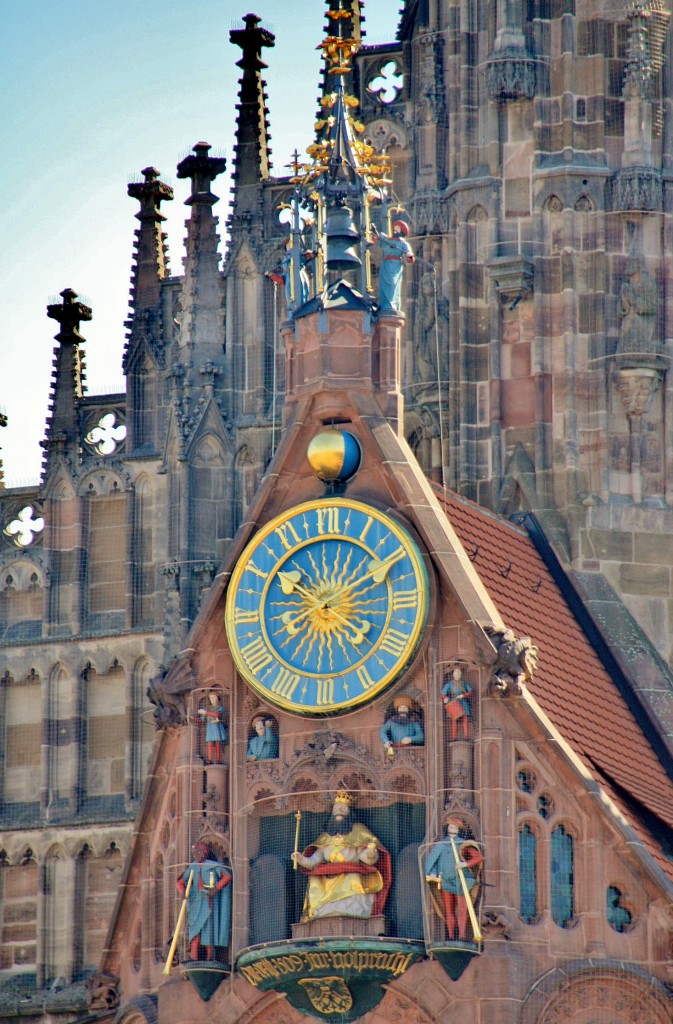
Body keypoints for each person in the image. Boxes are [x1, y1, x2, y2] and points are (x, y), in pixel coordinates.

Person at [291, 791, 391, 922]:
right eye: (336, 808)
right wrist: (301, 859)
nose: (339, 811)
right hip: (329, 875)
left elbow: (365, 856)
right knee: (315, 881)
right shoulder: (326, 837)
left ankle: (352, 911)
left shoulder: (359, 831)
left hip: (352, 872)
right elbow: (314, 861)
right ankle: (322, 912)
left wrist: (370, 852)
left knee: (352, 880)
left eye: (343, 808)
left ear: (349, 812)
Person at [424, 816, 483, 942]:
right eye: (451, 827)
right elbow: (432, 862)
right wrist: (433, 873)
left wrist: (465, 864)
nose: (453, 830)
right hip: (445, 881)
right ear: (447, 829)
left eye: (455, 828)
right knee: (448, 909)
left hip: (461, 882)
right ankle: (450, 936)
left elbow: (478, 858)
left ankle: (462, 935)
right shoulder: (441, 845)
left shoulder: (463, 844)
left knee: (462, 909)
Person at [176, 841, 232, 962]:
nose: (196, 854)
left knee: (208, 931)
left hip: (208, 899)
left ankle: (210, 959)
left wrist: (216, 888)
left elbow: (227, 876)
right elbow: (179, 882)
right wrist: (182, 892)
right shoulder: (192, 867)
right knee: (195, 932)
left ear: (205, 852)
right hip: (195, 900)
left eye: (199, 851)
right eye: (195, 852)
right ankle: (193, 957)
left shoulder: (213, 865)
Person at [372, 220, 415, 312]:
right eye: (394, 229)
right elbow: (379, 240)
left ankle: (391, 305)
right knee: (384, 285)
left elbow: (409, 254)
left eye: (397, 229)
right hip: (386, 264)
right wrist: (374, 232)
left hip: (395, 265)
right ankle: (383, 305)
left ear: (402, 231)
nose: (395, 231)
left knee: (392, 284)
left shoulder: (403, 243)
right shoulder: (388, 240)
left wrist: (410, 256)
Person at [441, 667, 473, 740]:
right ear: (453, 674)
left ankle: (466, 736)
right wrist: (445, 698)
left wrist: (463, 695)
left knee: (465, 718)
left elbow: (471, 692)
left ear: (461, 674)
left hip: (463, 701)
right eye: (456, 672)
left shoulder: (464, 684)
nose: (457, 674)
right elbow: (443, 693)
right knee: (454, 719)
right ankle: (454, 737)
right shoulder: (449, 684)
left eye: (459, 672)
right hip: (454, 702)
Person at [198, 692, 227, 764]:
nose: (212, 699)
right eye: (211, 698)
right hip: (210, 727)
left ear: (217, 698)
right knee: (209, 743)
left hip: (217, 726)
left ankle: (218, 760)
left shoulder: (220, 707)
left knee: (218, 742)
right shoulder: (208, 708)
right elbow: (202, 719)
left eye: (214, 697)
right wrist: (194, 719)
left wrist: (205, 713)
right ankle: (209, 759)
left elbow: (216, 714)